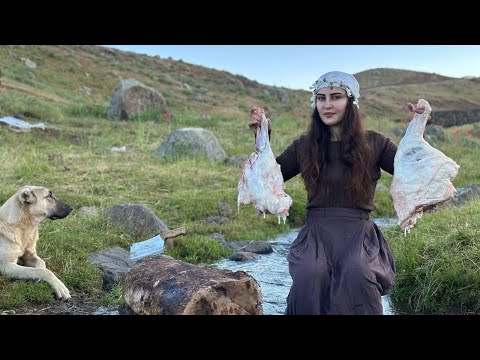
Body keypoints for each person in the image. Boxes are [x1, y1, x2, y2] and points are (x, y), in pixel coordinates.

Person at [248, 71, 400, 315]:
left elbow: (411, 171)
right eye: (321, 98)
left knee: (357, 271)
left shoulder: (376, 143)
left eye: (336, 97)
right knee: (310, 273)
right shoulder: (304, 145)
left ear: (351, 102)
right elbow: (269, 178)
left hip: (358, 234)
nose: (327, 105)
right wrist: (262, 136)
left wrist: (419, 126)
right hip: (317, 233)